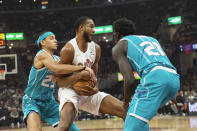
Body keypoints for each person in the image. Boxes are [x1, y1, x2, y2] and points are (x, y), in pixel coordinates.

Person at [56, 16, 126, 131]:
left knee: (125, 111)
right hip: (69, 91)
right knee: (64, 126)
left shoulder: (96, 48)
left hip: (87, 91)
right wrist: (79, 76)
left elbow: (94, 74)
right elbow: (60, 82)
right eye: (91, 27)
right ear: (81, 28)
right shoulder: (68, 50)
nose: (94, 31)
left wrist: (95, 88)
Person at [112, 18, 180, 131]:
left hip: (154, 79)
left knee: (130, 125)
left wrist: (126, 101)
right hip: (173, 79)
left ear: (117, 34)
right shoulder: (152, 40)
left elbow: (129, 79)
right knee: (141, 120)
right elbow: (162, 63)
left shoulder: (120, 45)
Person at [22, 31, 93, 131]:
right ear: (43, 42)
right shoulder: (42, 55)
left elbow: (68, 67)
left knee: (73, 129)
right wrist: (82, 68)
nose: (55, 40)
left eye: (55, 38)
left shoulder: (57, 58)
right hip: (32, 101)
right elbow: (57, 68)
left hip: (49, 102)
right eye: (51, 38)